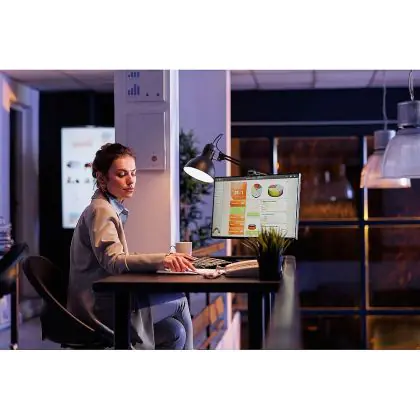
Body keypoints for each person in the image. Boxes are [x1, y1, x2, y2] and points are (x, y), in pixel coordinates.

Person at [67, 143, 196, 350]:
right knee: (180, 301)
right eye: (122, 174)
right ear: (102, 178)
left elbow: (117, 255)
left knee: (174, 331)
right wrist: (163, 260)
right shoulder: (101, 210)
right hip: (98, 308)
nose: (131, 180)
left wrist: (164, 258)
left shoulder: (106, 207)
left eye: (133, 173)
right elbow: (113, 261)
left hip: (106, 301)